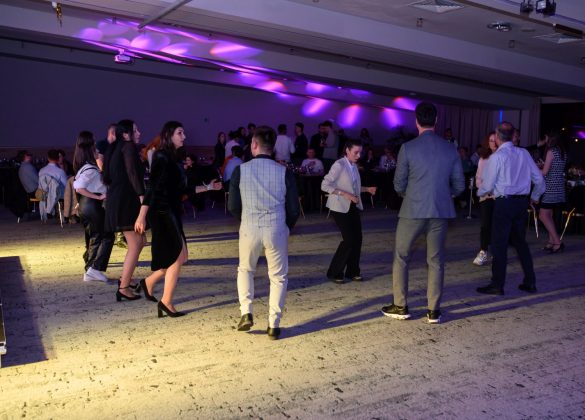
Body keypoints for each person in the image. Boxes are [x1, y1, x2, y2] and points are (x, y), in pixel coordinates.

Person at [381, 102, 464, 324]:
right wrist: (446, 195)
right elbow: (459, 185)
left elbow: (398, 184)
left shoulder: (408, 148)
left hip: (413, 210)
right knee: (436, 260)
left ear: (416, 121)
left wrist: (410, 195)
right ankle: (433, 311)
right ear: (436, 121)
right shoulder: (450, 148)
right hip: (439, 211)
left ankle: (401, 305)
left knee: (401, 256)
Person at [135, 121, 220, 317]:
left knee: (181, 257)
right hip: (162, 212)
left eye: (183, 133)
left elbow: (184, 189)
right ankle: (166, 302)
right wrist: (141, 215)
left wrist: (208, 187)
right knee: (176, 257)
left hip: (171, 211)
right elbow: (153, 187)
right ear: (169, 135)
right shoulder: (161, 156)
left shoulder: (175, 157)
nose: (184, 136)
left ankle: (148, 282)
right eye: (180, 133)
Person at [228, 125, 300, 340]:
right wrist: (286, 227)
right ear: (273, 147)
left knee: (245, 269)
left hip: (249, 227)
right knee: (278, 277)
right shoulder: (284, 172)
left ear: (254, 144)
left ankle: (246, 312)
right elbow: (294, 208)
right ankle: (273, 324)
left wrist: (245, 220)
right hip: (276, 227)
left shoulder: (241, 170)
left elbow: (233, 206)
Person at [476, 122, 545, 295]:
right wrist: (535, 197)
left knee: (499, 244)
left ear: (497, 137)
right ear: (513, 134)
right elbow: (539, 180)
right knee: (520, 243)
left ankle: (497, 285)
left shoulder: (497, 157)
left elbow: (487, 186)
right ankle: (530, 281)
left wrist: (479, 192)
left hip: (504, 203)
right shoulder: (524, 153)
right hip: (521, 203)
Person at [321, 138, 376, 284]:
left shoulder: (354, 166)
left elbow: (353, 189)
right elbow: (325, 185)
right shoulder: (339, 165)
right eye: (356, 152)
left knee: (358, 239)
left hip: (352, 206)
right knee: (349, 239)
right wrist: (345, 194)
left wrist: (367, 189)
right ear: (347, 150)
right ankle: (334, 272)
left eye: (360, 152)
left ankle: (352, 272)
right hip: (339, 207)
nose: (359, 155)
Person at [103, 119, 146, 301]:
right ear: (126, 134)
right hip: (126, 201)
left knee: (141, 241)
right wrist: (142, 196)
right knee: (136, 243)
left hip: (121, 199)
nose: (139, 133)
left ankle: (126, 279)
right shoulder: (128, 147)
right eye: (135, 130)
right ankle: (124, 287)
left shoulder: (115, 148)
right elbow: (132, 173)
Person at [72, 131, 114, 283]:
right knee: (107, 236)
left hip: (87, 205)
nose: (97, 150)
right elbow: (78, 186)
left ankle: (91, 269)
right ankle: (94, 269)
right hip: (92, 205)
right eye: (95, 147)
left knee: (96, 237)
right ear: (89, 149)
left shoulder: (84, 166)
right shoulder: (90, 169)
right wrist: (98, 197)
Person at [538, 132, 567, 253]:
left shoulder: (551, 151)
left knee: (543, 215)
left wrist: (533, 169)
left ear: (550, 138)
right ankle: (551, 242)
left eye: (546, 137)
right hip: (559, 187)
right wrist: (543, 165)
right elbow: (554, 168)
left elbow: (544, 173)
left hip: (550, 187)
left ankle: (557, 242)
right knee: (549, 215)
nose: (545, 140)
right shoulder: (562, 151)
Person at [472, 132, 497, 266]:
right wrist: (485, 190)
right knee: (485, 225)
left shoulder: (503, 157)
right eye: (491, 140)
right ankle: (483, 250)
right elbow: (478, 179)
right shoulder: (483, 159)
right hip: (486, 196)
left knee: (497, 225)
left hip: (499, 197)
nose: (493, 143)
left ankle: (495, 251)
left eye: (495, 140)